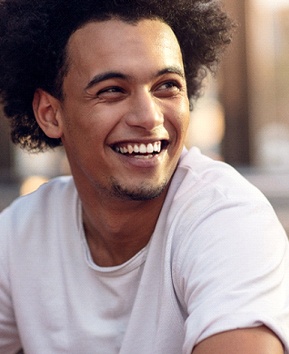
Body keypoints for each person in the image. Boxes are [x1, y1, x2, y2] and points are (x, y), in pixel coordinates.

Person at [0, 0, 288, 353]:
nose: (149, 117)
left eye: (167, 86)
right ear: (50, 113)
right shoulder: (20, 234)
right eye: (112, 90)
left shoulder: (228, 218)